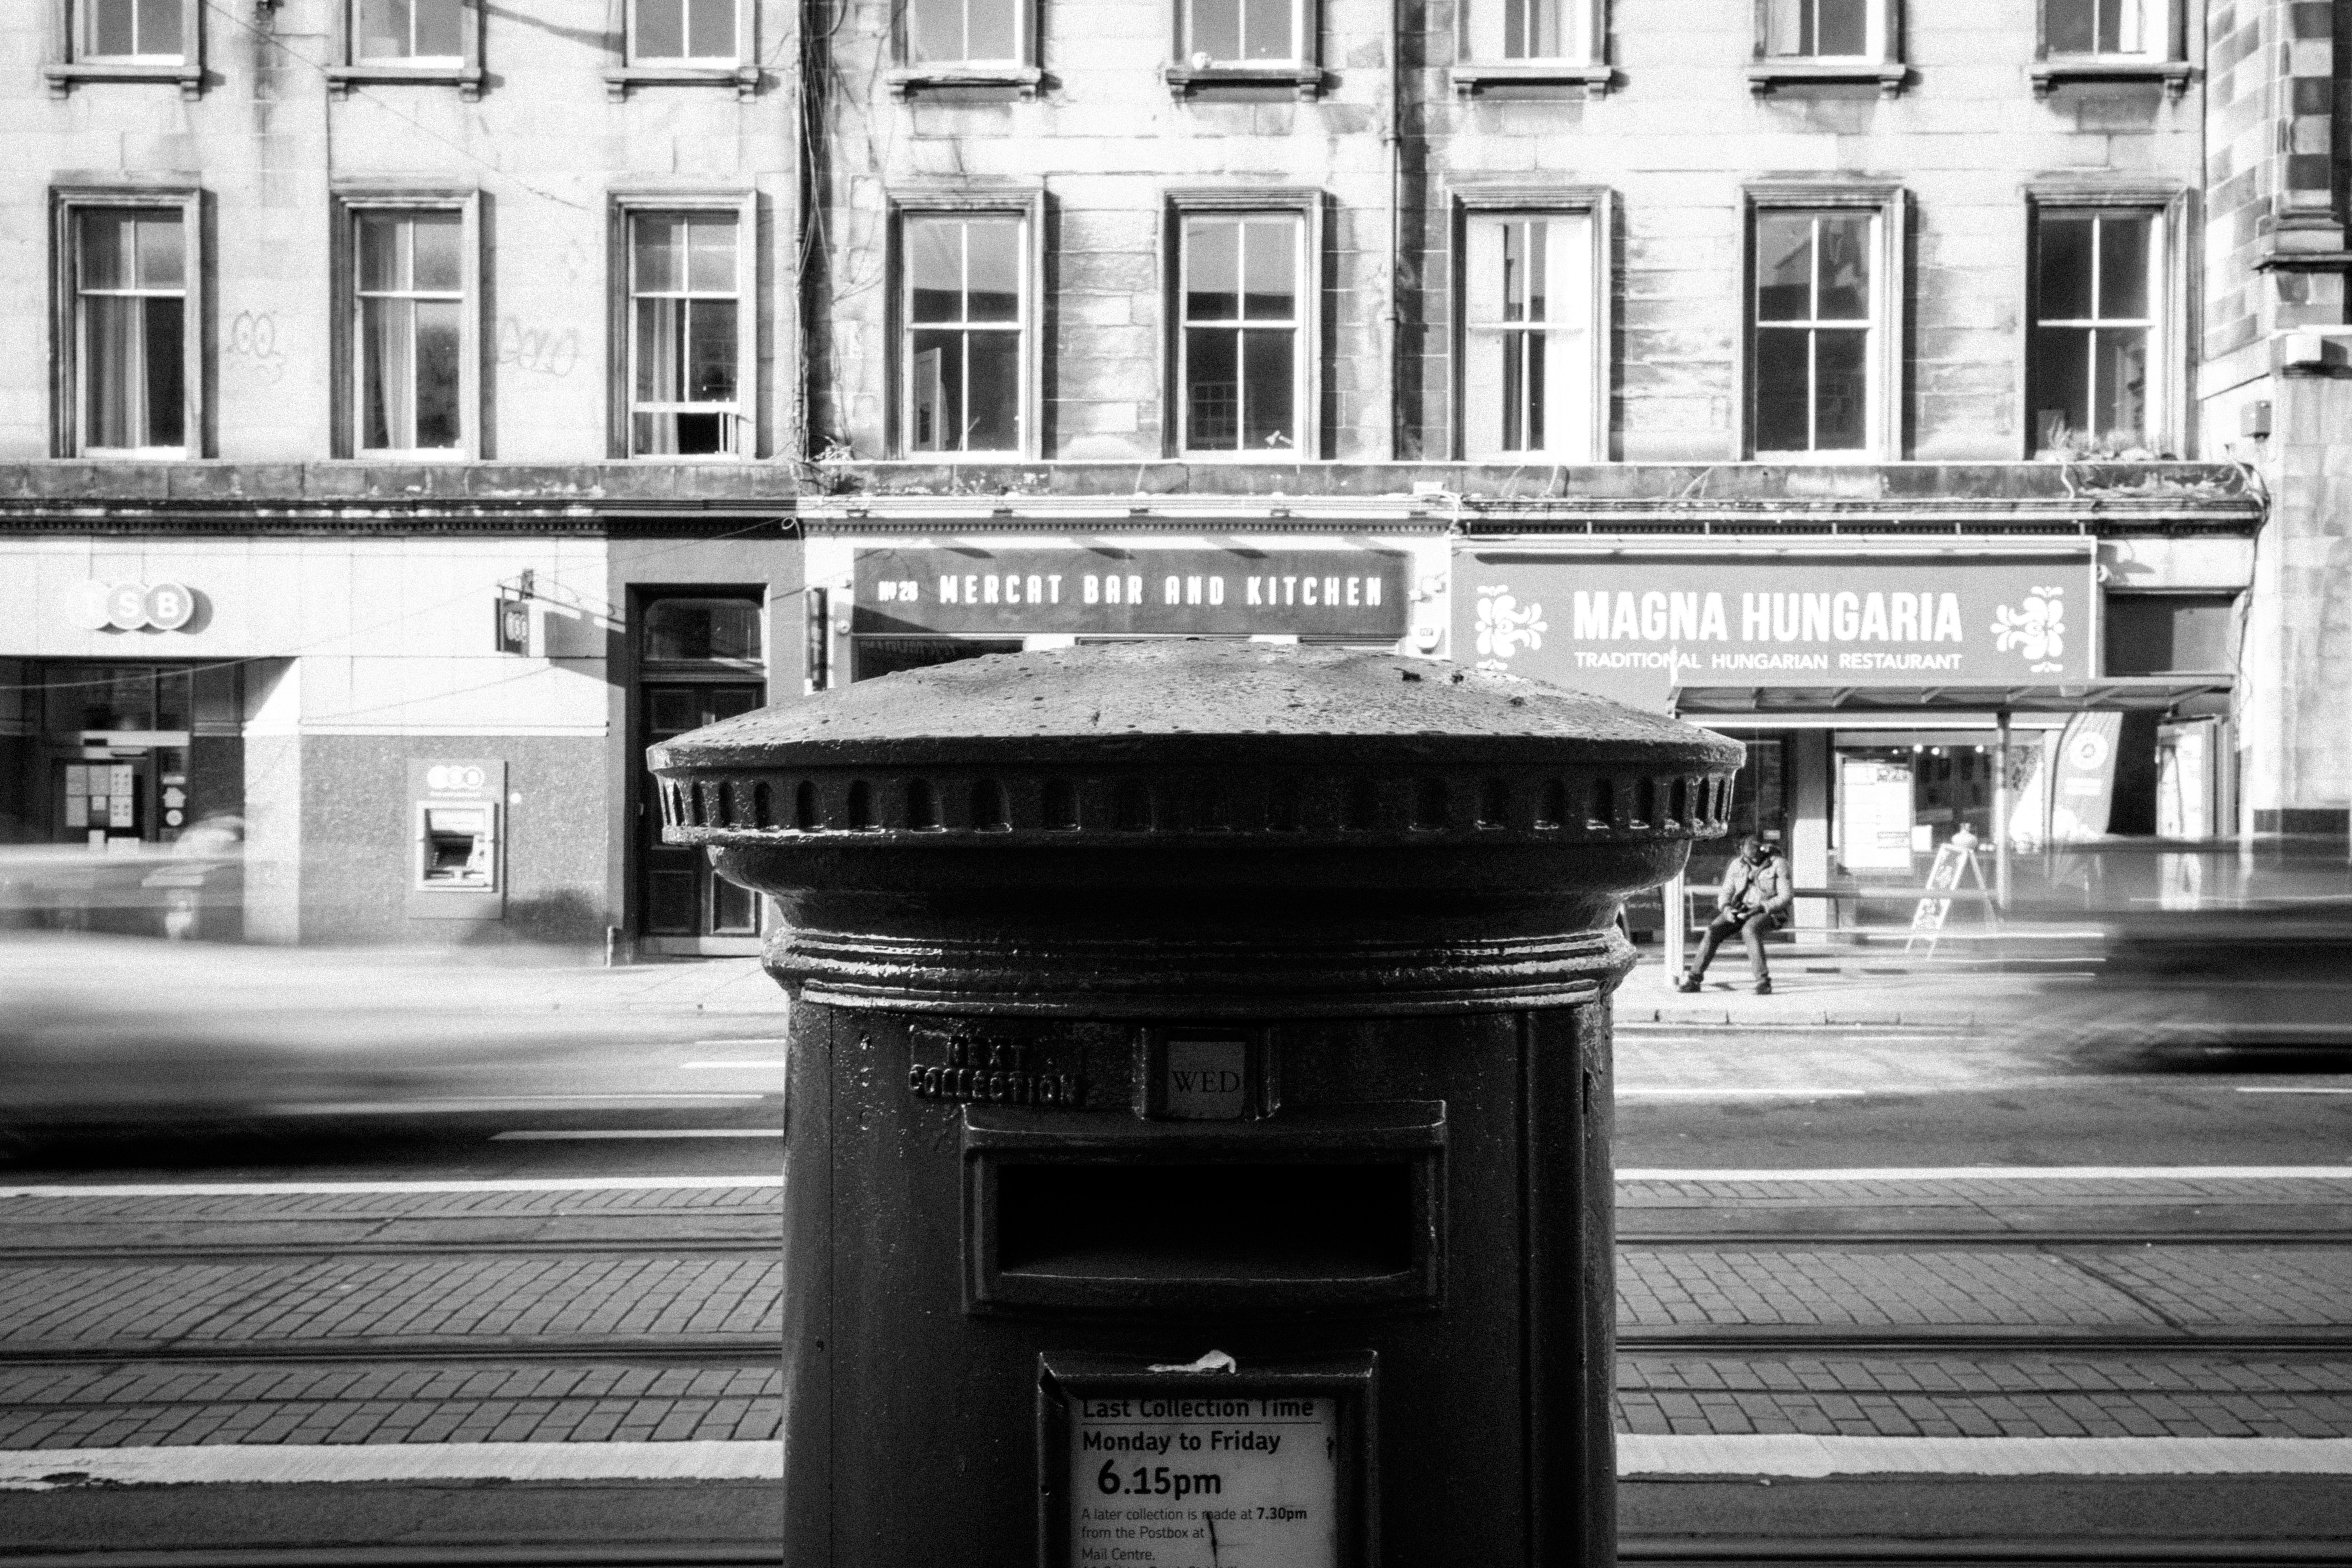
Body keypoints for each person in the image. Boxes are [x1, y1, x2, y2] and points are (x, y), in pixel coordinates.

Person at [1678, 834, 1793, 995]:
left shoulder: (1779, 864)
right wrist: (1727, 909)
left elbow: (1786, 897)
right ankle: (1694, 980)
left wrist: (1761, 908)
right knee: (1713, 930)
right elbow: (1726, 892)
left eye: (1757, 858)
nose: (1753, 862)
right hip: (1741, 910)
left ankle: (1763, 982)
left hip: (1769, 911)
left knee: (1750, 930)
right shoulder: (1736, 865)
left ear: (1764, 851)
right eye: (1749, 859)